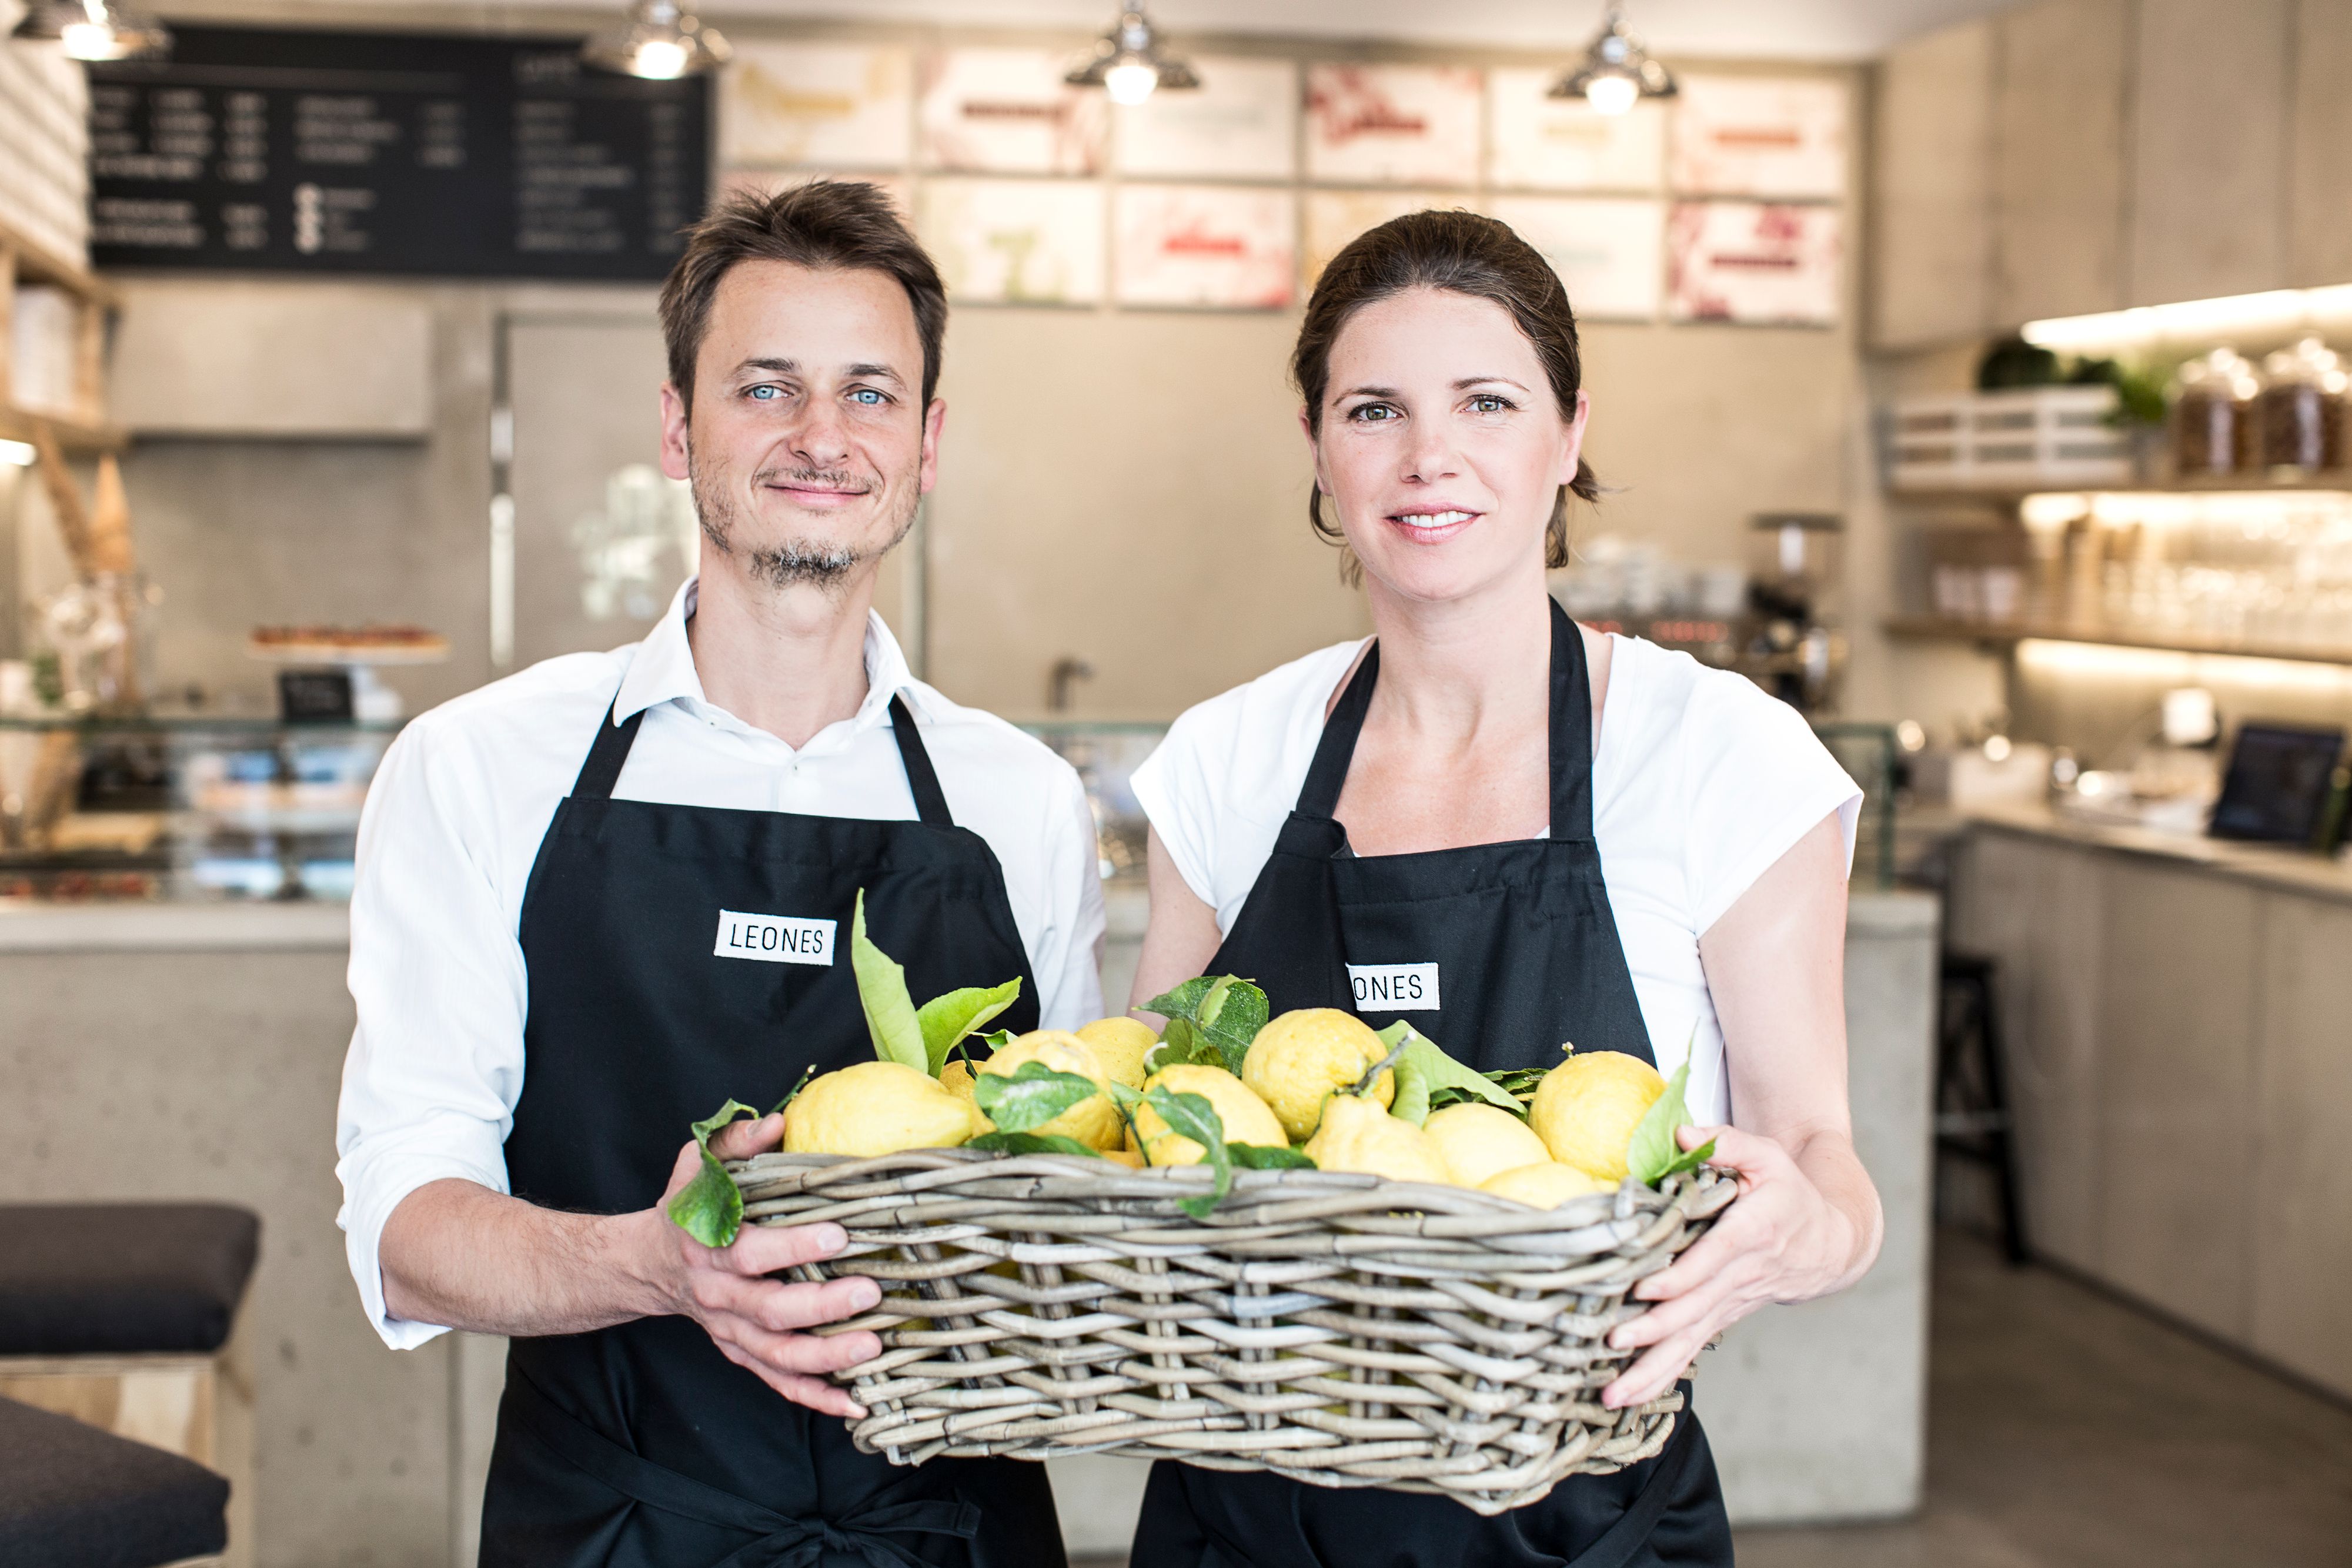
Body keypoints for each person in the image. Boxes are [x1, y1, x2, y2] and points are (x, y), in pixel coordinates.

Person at [333, 182, 1103, 1568]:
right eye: (767, 386)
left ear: (925, 445)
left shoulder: (1021, 801)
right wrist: (657, 1265)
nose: (822, 435)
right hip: (617, 1522)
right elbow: (404, 1226)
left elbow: (1071, 1187)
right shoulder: (483, 765)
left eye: (870, 393)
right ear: (680, 426)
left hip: (952, 1526)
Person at [1122, 210, 1884, 1567]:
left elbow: (1821, 1161)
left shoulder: (1715, 754)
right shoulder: (1229, 760)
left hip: (1581, 1522)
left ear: (1567, 433)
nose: (1429, 457)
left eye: (1486, 400)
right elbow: (1153, 1131)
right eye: (1373, 409)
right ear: (1317, 445)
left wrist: (1801, 1234)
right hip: (1244, 1513)